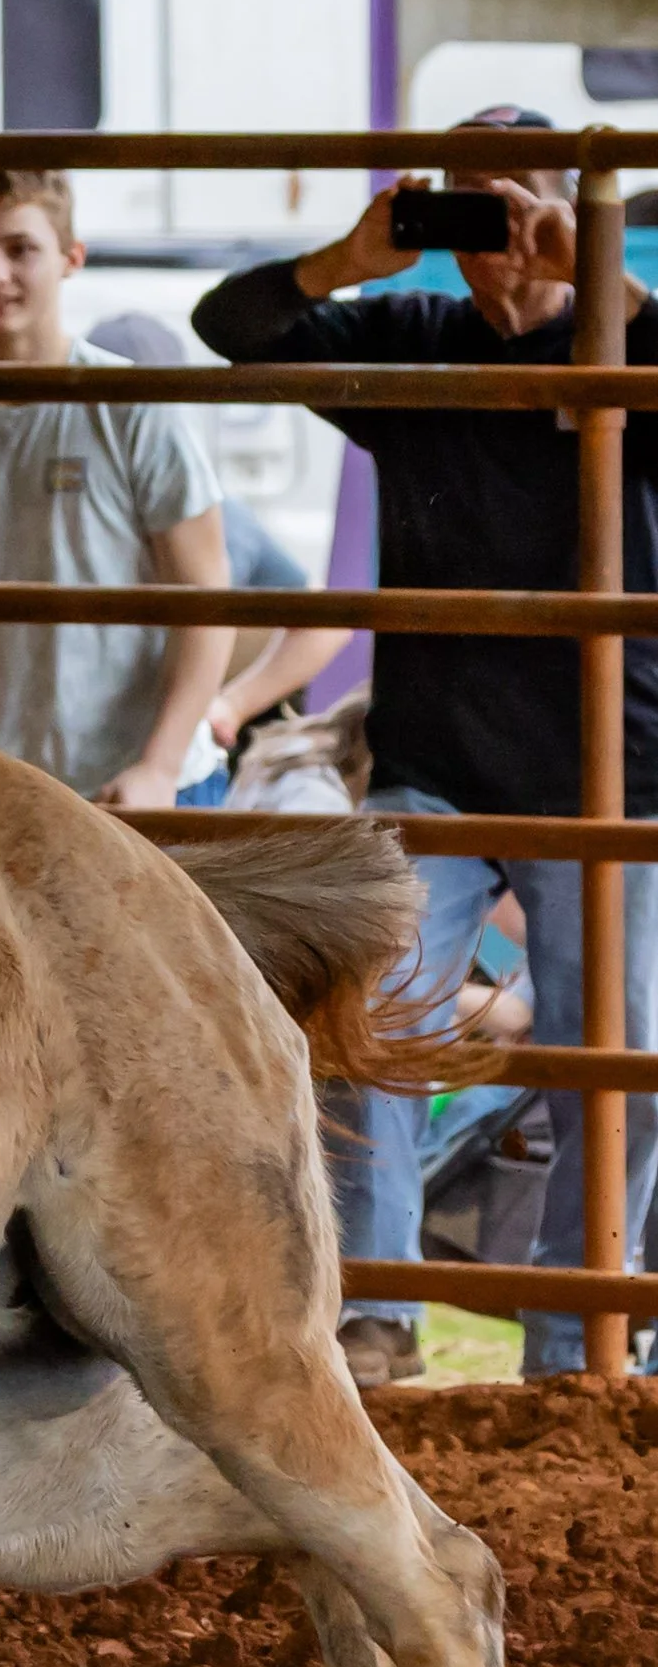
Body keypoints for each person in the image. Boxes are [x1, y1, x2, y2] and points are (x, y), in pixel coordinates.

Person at [194, 102, 658, 1385]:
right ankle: (378, 1315)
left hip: (615, 770)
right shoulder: (409, 339)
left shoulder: (626, 341)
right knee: (368, 1029)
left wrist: (593, 270)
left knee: (617, 1066)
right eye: (464, 204)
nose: (492, 236)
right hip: (434, 764)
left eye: (516, 202)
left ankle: (582, 1346)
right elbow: (230, 331)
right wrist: (347, 261)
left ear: (572, 207)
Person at [0, 170, 234, 808]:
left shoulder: (134, 408)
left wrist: (160, 767)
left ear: (70, 257)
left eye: (20, 249)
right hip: (2, 794)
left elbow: (209, 604)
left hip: (141, 788)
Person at [82, 309, 345, 758]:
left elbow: (326, 621)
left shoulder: (216, 517)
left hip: (162, 759)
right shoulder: (62, 505)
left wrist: (230, 705)